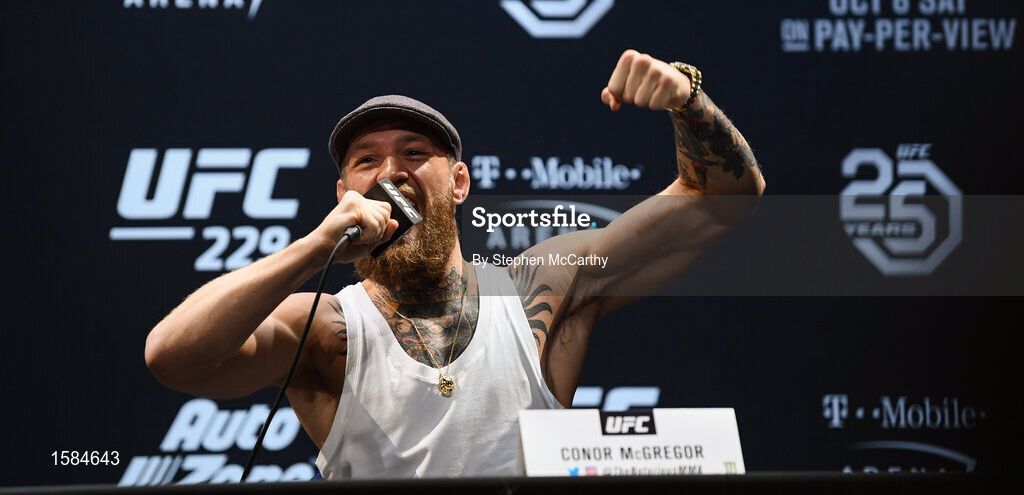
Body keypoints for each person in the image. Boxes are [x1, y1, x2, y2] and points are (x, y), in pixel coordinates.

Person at [144, 50, 765, 479]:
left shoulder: (542, 286)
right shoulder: (323, 331)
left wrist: (688, 99)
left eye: (415, 152)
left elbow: (722, 201)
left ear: (460, 182)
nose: (391, 172)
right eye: (366, 161)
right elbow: (171, 356)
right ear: (344, 196)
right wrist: (314, 247)